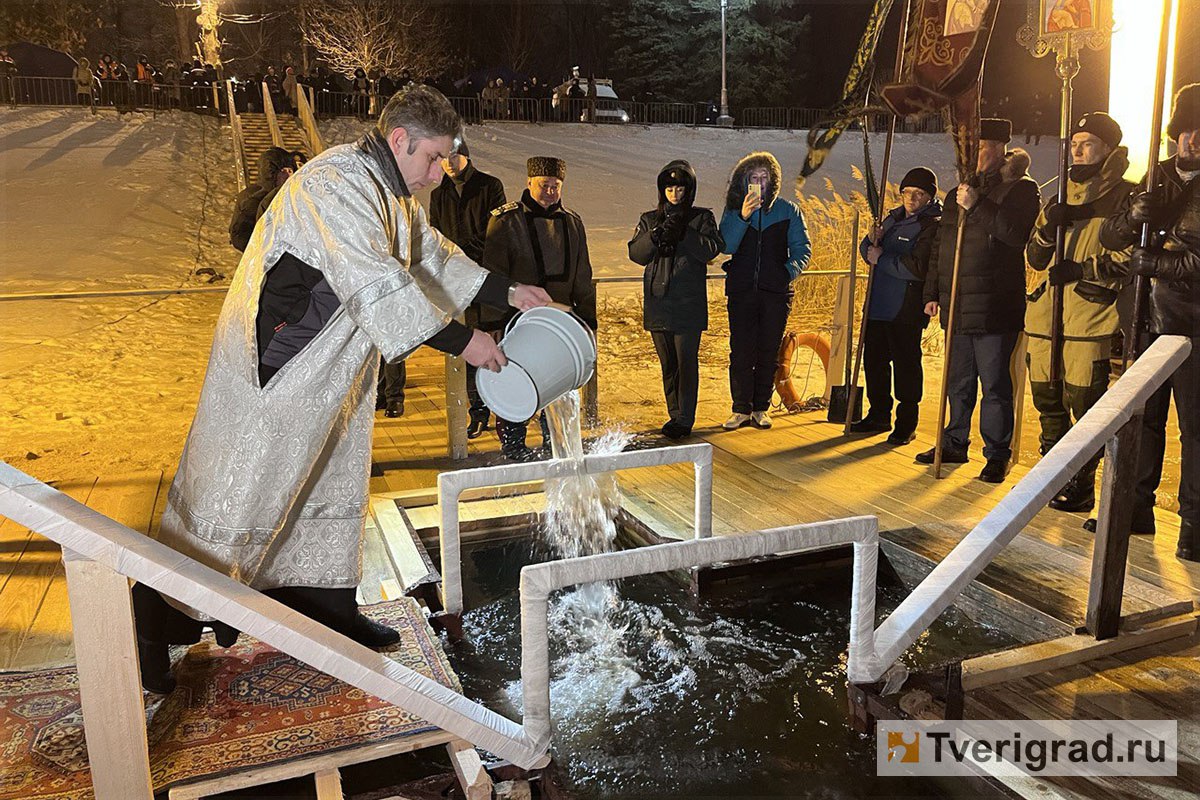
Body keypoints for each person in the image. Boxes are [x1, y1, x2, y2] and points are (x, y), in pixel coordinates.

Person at [132, 85, 553, 693]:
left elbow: (428, 257)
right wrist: (468, 345)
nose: (439, 174)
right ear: (400, 140)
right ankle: (152, 618)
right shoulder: (336, 184)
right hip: (277, 368)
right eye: (433, 158)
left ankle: (323, 602)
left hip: (326, 366)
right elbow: (380, 283)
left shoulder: (394, 192)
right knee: (245, 490)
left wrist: (507, 291)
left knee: (328, 472)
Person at [1098, 83, 1199, 561]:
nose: (1194, 140)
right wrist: (1130, 218)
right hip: (1144, 319)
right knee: (1143, 419)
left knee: (1196, 429)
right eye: (1187, 130)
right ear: (1175, 134)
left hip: (1192, 324)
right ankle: (1135, 508)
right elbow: (1108, 233)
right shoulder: (1153, 178)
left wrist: (1151, 263)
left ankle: (1196, 525)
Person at [918, 118, 1041, 482]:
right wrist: (932, 294)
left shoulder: (1020, 189)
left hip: (994, 307)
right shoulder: (959, 191)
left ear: (1001, 148)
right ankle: (954, 441)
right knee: (957, 382)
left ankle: (997, 453)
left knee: (995, 386)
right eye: (969, 149)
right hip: (957, 304)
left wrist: (977, 206)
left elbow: (1015, 235)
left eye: (981, 147)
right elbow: (942, 247)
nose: (975, 155)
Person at [1025, 112, 1134, 512]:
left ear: (1108, 148)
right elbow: (1036, 259)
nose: (1077, 149)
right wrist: (1045, 228)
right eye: (1074, 142)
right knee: (1047, 403)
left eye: (1087, 142)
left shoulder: (1127, 197)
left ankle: (1080, 480)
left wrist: (1083, 270)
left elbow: (1129, 258)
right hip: (1046, 318)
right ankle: (1050, 473)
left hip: (1090, 317)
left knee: (1084, 405)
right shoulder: (1060, 197)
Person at [482, 156, 597, 460]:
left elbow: (583, 272)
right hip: (515, 321)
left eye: (555, 186)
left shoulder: (573, 222)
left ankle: (554, 443)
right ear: (528, 183)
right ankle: (513, 445)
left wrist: (587, 319)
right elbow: (492, 274)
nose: (549, 191)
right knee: (514, 380)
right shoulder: (506, 220)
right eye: (543, 185)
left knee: (557, 382)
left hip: (560, 322)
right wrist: (491, 322)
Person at [628, 160, 724, 439]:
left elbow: (711, 250)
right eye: (669, 188)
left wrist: (685, 232)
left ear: (689, 190)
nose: (675, 194)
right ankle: (674, 414)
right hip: (658, 301)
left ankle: (684, 418)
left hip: (688, 303)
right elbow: (636, 254)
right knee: (668, 363)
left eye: (680, 188)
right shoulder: (649, 219)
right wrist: (655, 235)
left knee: (686, 362)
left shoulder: (701, 218)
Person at [718, 151, 812, 430]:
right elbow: (727, 246)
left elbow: (802, 250)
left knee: (768, 351)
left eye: (764, 177)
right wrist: (743, 216)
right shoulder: (735, 209)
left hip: (775, 292)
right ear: (744, 181)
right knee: (741, 350)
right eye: (753, 177)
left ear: (773, 181)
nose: (759, 182)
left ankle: (761, 407)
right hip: (741, 290)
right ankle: (740, 409)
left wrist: (786, 273)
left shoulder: (788, 210)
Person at [852, 167, 943, 445]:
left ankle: (906, 422)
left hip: (905, 306)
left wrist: (883, 257)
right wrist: (871, 238)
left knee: (906, 365)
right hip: (878, 305)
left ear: (929, 197)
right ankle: (879, 413)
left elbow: (918, 267)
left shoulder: (931, 226)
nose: (911, 198)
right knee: (875, 362)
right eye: (907, 192)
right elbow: (868, 253)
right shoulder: (891, 219)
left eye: (919, 193)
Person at [430, 140, 507, 437]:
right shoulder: (440, 193)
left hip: (485, 277)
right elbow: (435, 232)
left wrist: (461, 255)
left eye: (454, 157)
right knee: (466, 349)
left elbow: (496, 230)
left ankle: (501, 410)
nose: (449, 163)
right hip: (455, 283)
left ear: (466, 157)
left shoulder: (489, 185)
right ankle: (477, 412)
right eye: (444, 158)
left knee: (493, 346)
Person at [230, 147, 294, 252]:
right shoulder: (251, 197)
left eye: (290, 171)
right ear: (271, 173)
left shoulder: (292, 195)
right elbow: (239, 235)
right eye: (284, 171)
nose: (288, 175)